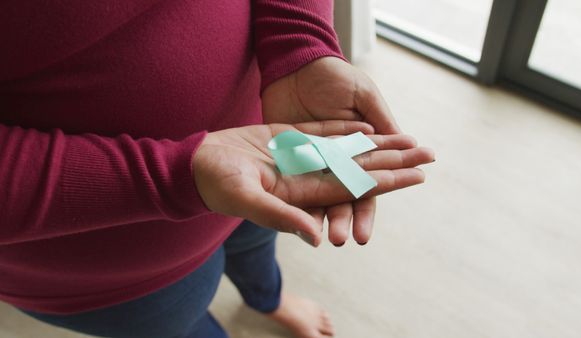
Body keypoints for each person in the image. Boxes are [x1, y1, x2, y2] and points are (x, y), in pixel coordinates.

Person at [0, 1, 434, 337]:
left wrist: (299, 38)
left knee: (258, 250)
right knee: (185, 325)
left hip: (272, 153)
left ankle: (268, 299)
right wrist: (175, 174)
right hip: (113, 263)